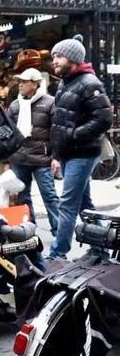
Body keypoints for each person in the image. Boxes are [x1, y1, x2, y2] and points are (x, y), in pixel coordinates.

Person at [48, 35, 112, 260]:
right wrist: (57, 153)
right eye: (53, 56)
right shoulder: (66, 82)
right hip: (70, 153)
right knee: (85, 203)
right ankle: (101, 248)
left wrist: (74, 136)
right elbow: (60, 122)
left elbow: (104, 119)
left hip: (83, 153)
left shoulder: (89, 83)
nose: (54, 60)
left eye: (59, 56)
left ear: (73, 59)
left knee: (67, 204)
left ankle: (58, 253)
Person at [7, 68, 60, 236]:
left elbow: (56, 132)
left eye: (24, 81)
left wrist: (55, 157)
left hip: (42, 158)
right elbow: (9, 132)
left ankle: (58, 232)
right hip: (19, 158)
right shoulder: (15, 105)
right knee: (22, 197)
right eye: (20, 81)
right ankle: (29, 230)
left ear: (35, 84)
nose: (20, 85)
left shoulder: (50, 102)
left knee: (49, 196)